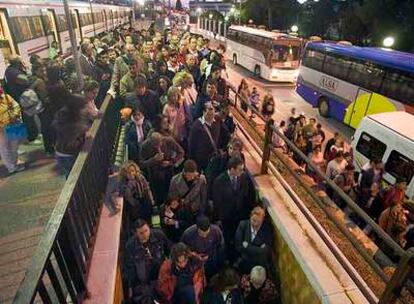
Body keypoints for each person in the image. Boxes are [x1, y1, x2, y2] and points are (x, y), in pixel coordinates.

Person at [213, 156, 252, 263]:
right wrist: (220, 218)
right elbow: (217, 202)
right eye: (240, 169)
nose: (242, 171)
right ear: (232, 169)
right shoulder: (219, 181)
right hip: (226, 218)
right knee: (227, 239)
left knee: (238, 239)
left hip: (239, 216)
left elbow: (246, 195)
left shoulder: (243, 178)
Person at [125, 219, 171, 303]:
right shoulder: (130, 246)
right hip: (144, 282)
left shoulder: (159, 235)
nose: (145, 235)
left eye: (146, 231)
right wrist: (131, 286)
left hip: (161, 274)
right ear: (136, 234)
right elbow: (130, 268)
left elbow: (170, 250)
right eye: (141, 233)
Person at [140, 132, 184, 205]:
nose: (158, 147)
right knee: (159, 198)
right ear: (150, 142)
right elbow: (141, 164)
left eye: (159, 144)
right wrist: (154, 159)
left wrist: (171, 162)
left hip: (169, 172)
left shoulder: (169, 141)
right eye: (155, 145)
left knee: (170, 194)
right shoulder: (145, 146)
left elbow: (181, 152)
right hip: (155, 176)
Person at [53, 94, 90, 178]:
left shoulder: (68, 116)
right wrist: (79, 130)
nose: (85, 109)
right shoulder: (68, 120)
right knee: (73, 177)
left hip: (64, 153)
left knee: (71, 176)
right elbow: (70, 142)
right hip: (67, 154)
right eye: (83, 107)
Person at [235, 206, 273, 274]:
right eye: (253, 220)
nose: (255, 224)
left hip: (259, 265)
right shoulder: (243, 225)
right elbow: (238, 245)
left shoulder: (267, 230)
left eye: (258, 222)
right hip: (244, 262)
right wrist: (258, 249)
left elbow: (265, 251)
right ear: (250, 217)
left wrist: (246, 246)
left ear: (262, 220)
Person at [119, 161, 155, 225]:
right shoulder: (124, 184)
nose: (131, 173)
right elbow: (129, 198)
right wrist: (137, 205)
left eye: (132, 171)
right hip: (134, 207)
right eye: (128, 172)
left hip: (145, 202)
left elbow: (147, 189)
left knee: (149, 219)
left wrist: (151, 201)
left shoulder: (141, 178)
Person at [189, 102, 220, 172]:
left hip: (213, 159)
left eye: (212, 114)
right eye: (208, 114)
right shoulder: (196, 126)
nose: (211, 116)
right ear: (203, 112)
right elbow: (191, 145)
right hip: (201, 161)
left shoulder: (217, 121)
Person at [0, 86, 24, 174]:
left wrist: (14, 115)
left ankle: (14, 163)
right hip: (1, 129)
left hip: (12, 125)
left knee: (14, 145)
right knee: (4, 147)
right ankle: (11, 167)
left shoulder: (6, 97)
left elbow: (16, 106)